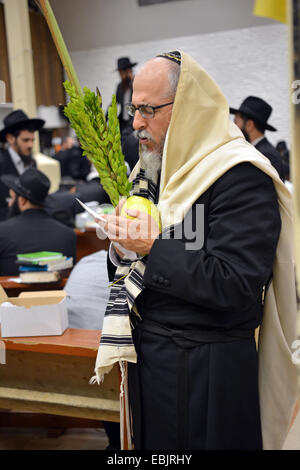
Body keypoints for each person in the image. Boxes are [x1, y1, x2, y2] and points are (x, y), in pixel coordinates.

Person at [92, 51, 298, 450]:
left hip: (206, 370)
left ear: (187, 108)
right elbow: (136, 266)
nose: (136, 124)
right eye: (134, 109)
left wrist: (151, 245)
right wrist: (120, 248)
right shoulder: (155, 171)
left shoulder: (238, 175)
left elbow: (235, 283)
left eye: (149, 110)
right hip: (150, 361)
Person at [65, 250, 120, 450]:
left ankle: (116, 442)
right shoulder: (140, 263)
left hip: (69, 357)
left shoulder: (85, 261)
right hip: (108, 366)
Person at [0, 167, 76, 275]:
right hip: (55, 292)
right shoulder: (68, 235)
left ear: (22, 200)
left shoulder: (2, 232)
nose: (9, 204)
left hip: (11, 292)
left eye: (12, 198)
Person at [0, 109, 45, 221]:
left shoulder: (32, 162)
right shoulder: (1, 162)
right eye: (25, 140)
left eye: (32, 140)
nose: (30, 145)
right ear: (10, 139)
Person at [230, 96, 285, 180]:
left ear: (249, 125)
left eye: (236, 122)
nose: (233, 127)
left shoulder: (267, 156)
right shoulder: (256, 150)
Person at [112, 57, 137, 143]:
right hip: (123, 122)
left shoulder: (136, 83)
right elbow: (115, 102)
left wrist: (133, 79)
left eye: (121, 73)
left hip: (133, 121)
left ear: (128, 71)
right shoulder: (120, 86)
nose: (120, 76)